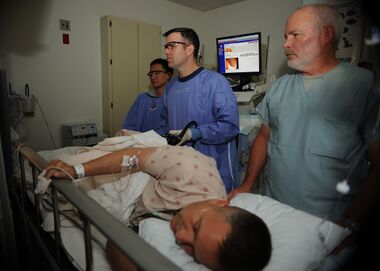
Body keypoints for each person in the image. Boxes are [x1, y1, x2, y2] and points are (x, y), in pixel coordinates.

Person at [229, 3, 380, 228]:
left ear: (326, 35)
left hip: (329, 220)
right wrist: (248, 184)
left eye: (295, 35)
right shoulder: (280, 86)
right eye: (285, 36)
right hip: (275, 207)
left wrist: (352, 219)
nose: (286, 44)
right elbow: (263, 137)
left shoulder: (365, 87)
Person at [43, 145, 272, 271]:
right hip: (136, 170)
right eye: (196, 226)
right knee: (47, 168)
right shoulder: (191, 170)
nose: (180, 235)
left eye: (191, 250)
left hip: (141, 206)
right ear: (220, 203)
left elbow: (121, 241)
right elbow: (133, 157)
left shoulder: (204, 237)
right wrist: (77, 171)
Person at [157, 27, 240, 192]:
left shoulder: (215, 82)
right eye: (166, 47)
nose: (166, 51)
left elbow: (230, 127)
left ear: (189, 49)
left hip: (213, 174)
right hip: (181, 172)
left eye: (172, 46)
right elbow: (164, 126)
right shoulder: (170, 88)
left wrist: (193, 133)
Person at [121, 58, 173, 133]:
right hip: (139, 142)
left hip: (162, 143)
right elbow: (129, 125)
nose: (153, 77)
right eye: (151, 74)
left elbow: (168, 128)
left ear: (168, 75)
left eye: (157, 73)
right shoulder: (142, 98)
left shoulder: (173, 99)